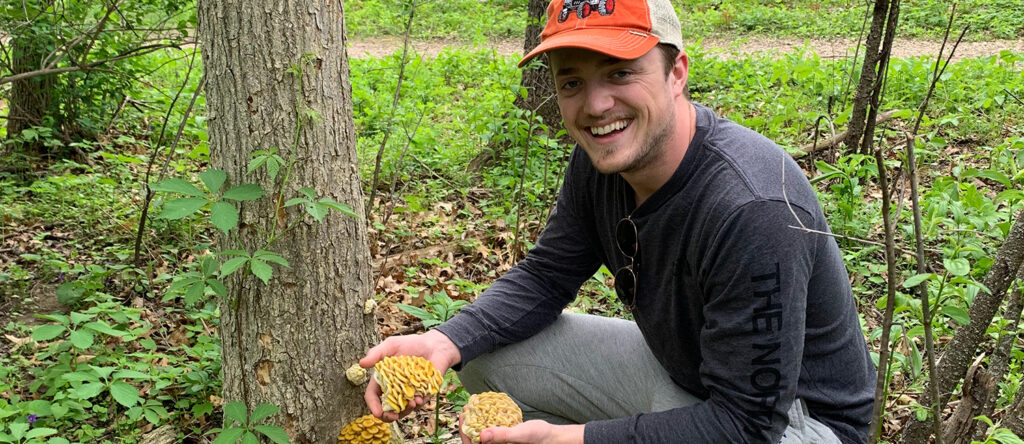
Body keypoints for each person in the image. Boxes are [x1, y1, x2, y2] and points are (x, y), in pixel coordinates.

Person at [361, 0, 876, 442]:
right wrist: (445, 340)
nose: (596, 104)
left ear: (676, 73)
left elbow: (747, 426)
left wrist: (578, 438)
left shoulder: (751, 207)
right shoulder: (602, 161)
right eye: (572, 82)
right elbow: (547, 275)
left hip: (794, 424)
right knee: (482, 354)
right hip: (688, 374)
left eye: (620, 72)